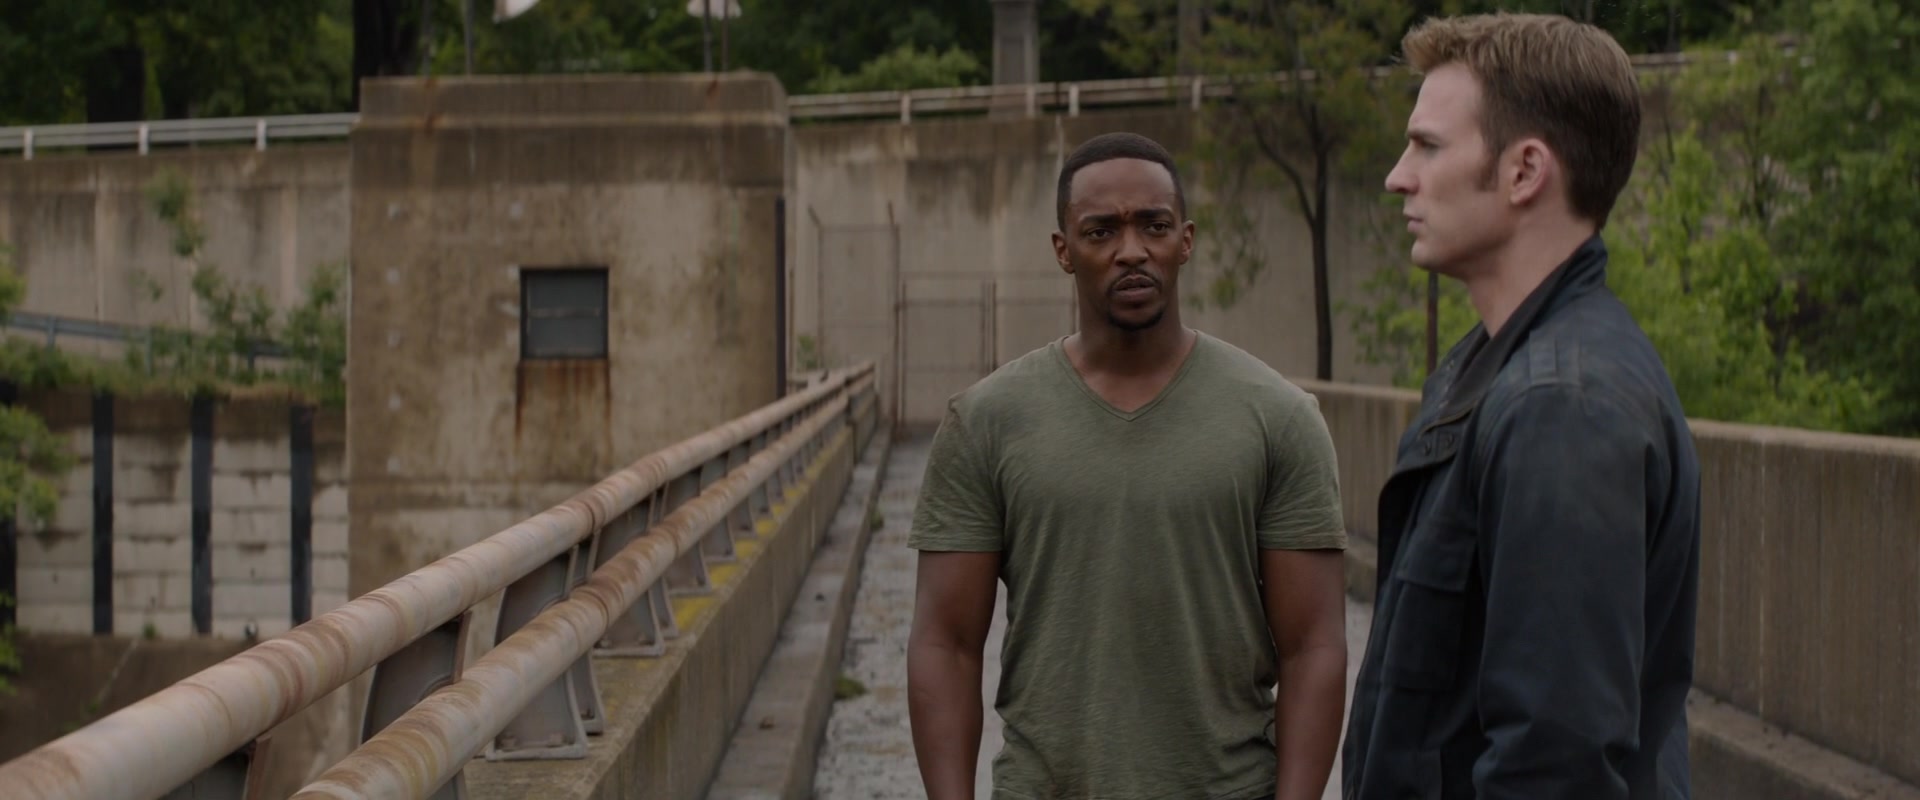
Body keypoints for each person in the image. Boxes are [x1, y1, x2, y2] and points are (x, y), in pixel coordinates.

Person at [904, 131, 1351, 800]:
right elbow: (946, 643)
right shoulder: (987, 422)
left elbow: (1314, 645)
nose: (1132, 250)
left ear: (1186, 241)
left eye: (1154, 226)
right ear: (1064, 250)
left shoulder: (1278, 418)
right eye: (1101, 231)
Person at [1341, 12, 1702, 800]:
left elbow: (1556, 764)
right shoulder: (1499, 368)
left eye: (1427, 146)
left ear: (1525, 171)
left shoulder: (1563, 408)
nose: (1398, 176)